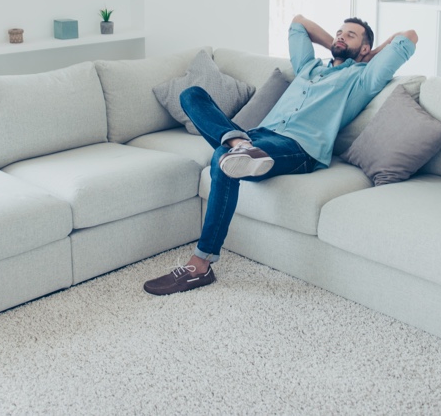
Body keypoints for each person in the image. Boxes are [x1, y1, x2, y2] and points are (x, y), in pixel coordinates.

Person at [143, 15, 418, 295]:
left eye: (350, 35)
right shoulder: (308, 67)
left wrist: (369, 55)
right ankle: (237, 142)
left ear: (363, 48)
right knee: (191, 94)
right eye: (339, 32)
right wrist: (335, 43)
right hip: (258, 136)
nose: (340, 36)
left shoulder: (361, 79)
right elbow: (299, 23)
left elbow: (409, 36)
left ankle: (200, 264)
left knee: (221, 160)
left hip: (299, 148)